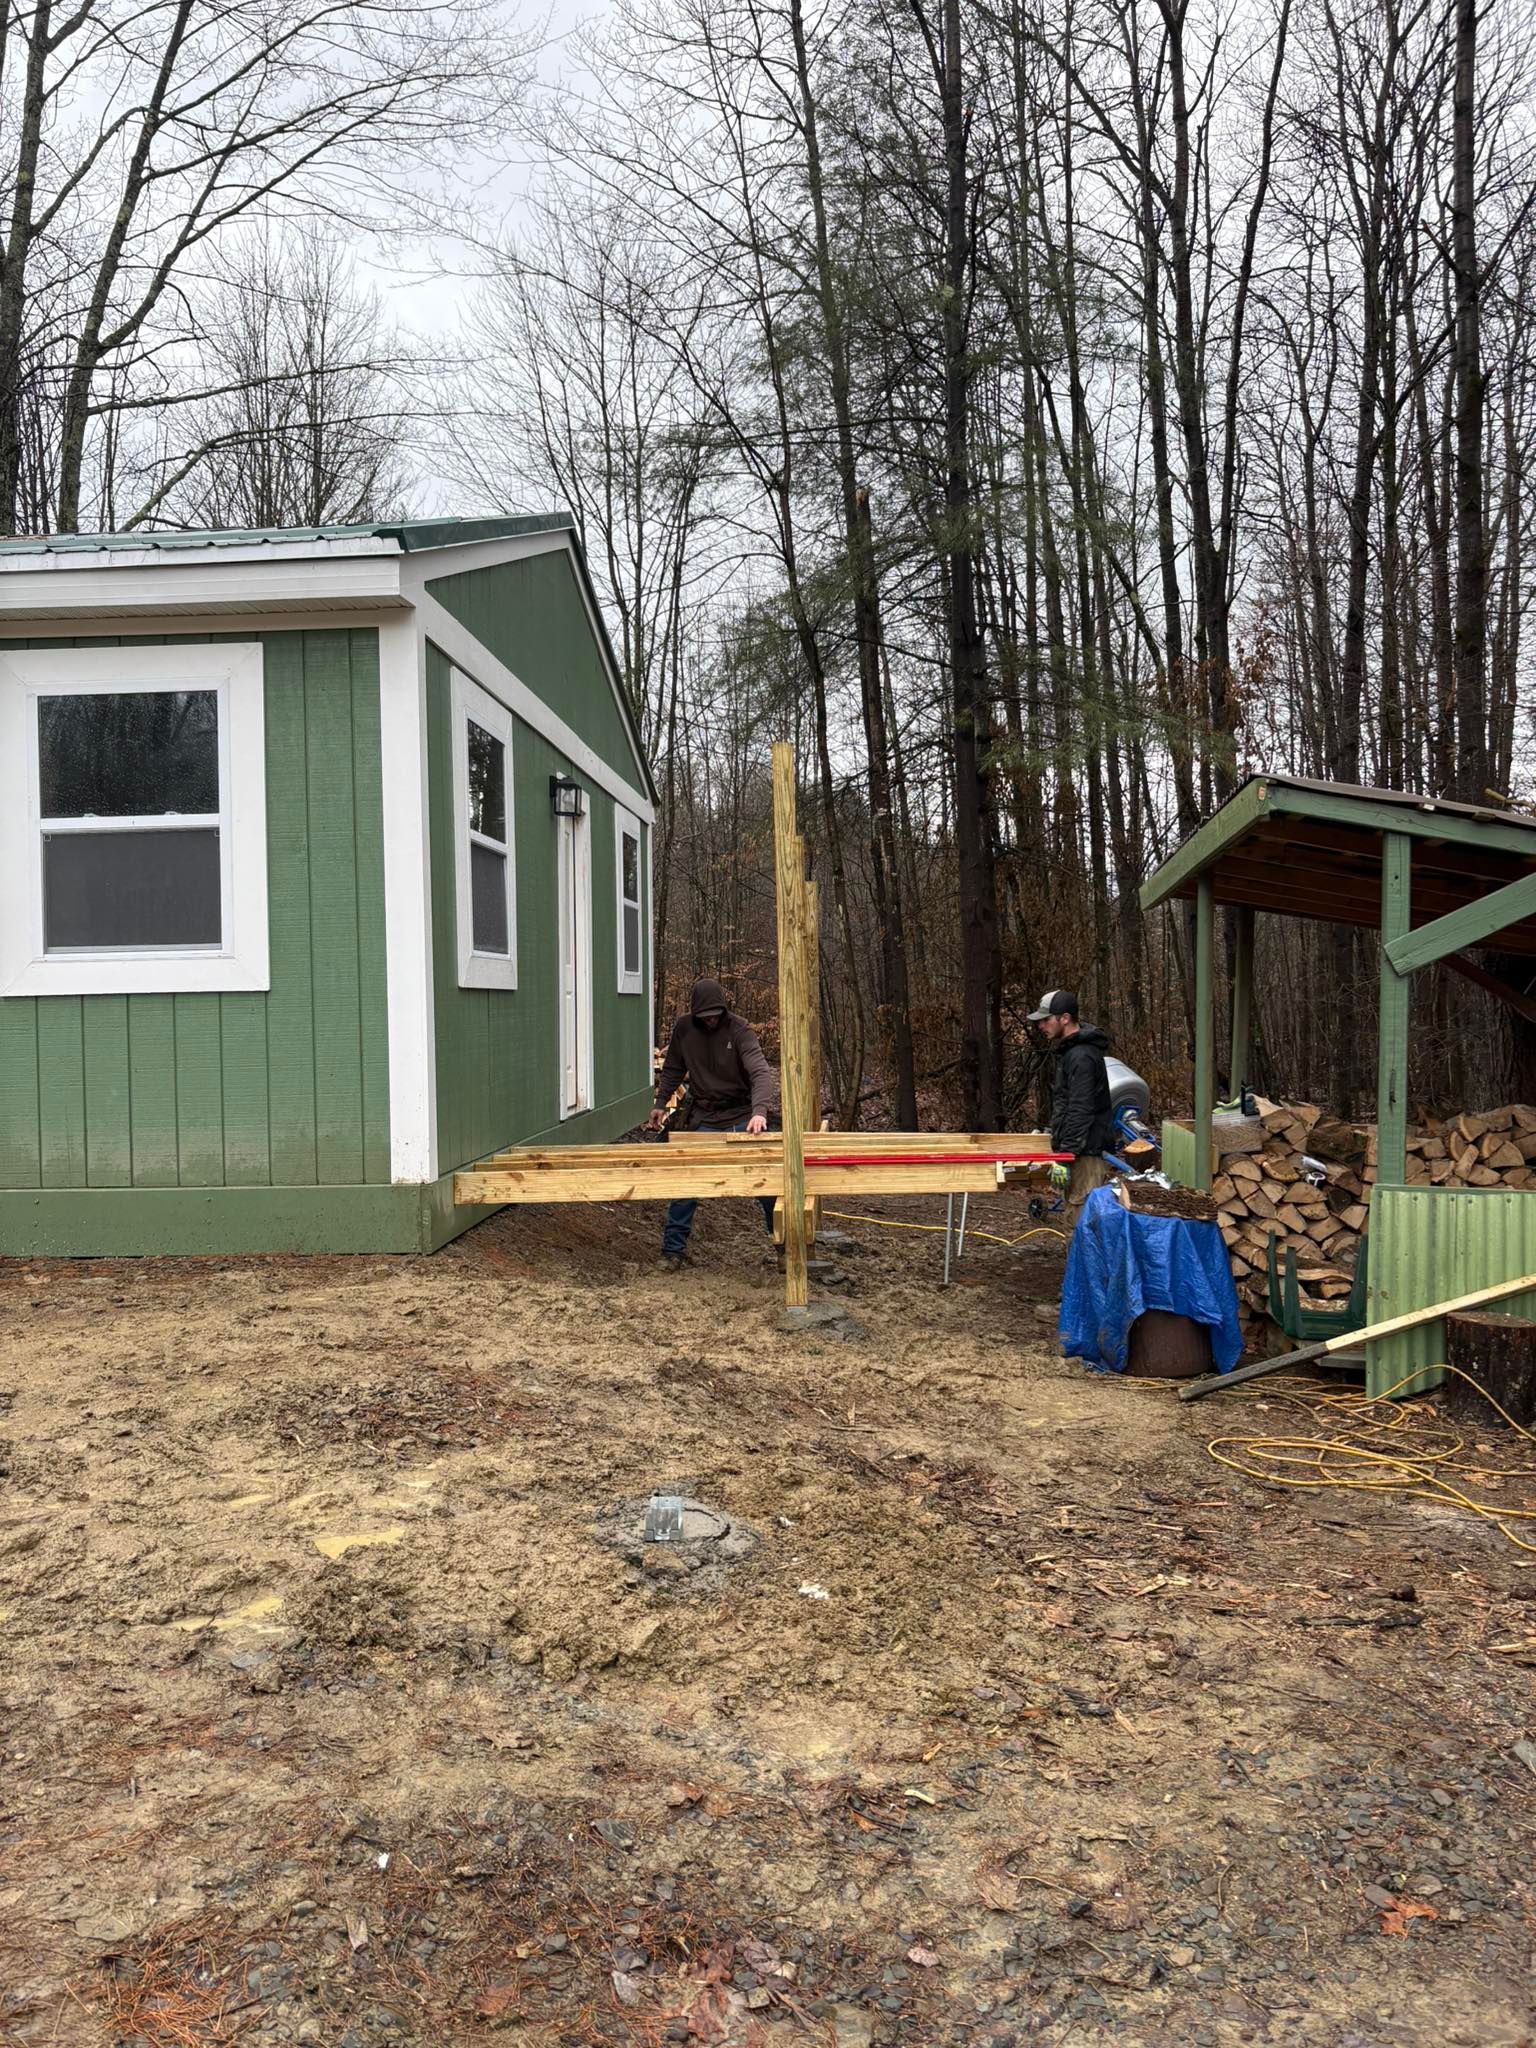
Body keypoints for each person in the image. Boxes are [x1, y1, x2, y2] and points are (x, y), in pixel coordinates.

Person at [646, 977, 778, 1271]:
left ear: (723, 1011)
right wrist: (660, 1104)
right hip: (704, 1115)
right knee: (687, 1183)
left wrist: (759, 1112)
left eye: (715, 1016)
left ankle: (783, 1246)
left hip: (742, 1114)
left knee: (765, 1182)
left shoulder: (739, 1030)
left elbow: (760, 1072)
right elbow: (673, 1068)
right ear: (695, 1014)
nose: (710, 1021)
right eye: (704, 1017)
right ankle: (672, 1251)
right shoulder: (684, 1029)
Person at [1028, 989, 1117, 1225]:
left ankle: (1084, 1264)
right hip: (1078, 1151)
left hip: (1084, 1155)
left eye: (1046, 1020)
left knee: (1082, 1225)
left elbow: (1080, 1108)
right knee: (1075, 1217)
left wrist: (1065, 1156)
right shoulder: (1071, 1052)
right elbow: (1068, 1106)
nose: (1041, 1026)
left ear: (1064, 1018)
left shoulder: (1081, 1056)